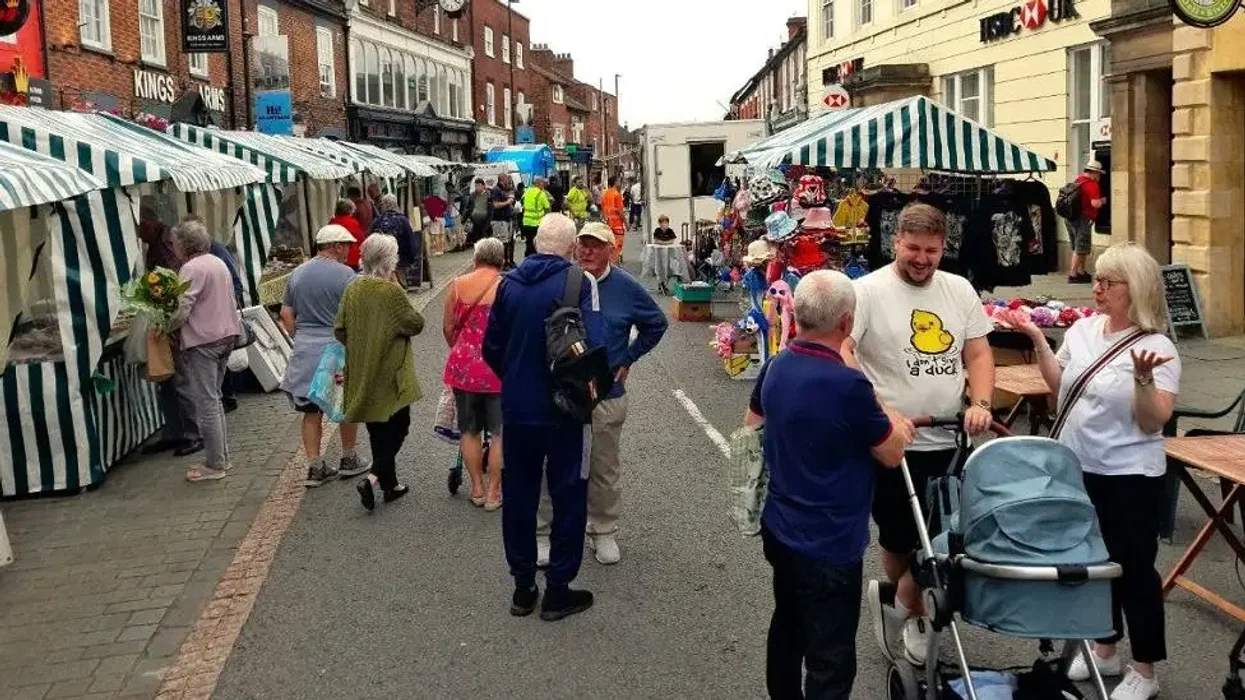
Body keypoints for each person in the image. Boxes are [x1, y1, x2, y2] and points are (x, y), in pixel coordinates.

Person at [1003, 242, 1178, 700]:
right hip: (1078, 464)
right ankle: (1104, 647)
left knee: (1135, 568)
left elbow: (1152, 420)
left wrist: (1142, 380)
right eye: (1097, 279)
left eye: (1107, 282)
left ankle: (1145, 668)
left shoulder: (1157, 347)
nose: (1096, 289)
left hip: (1131, 474)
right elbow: (1059, 386)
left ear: (1134, 288)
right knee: (1091, 563)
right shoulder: (1083, 331)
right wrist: (1038, 340)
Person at [745, 269, 915, 700]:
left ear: (796, 315)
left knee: (788, 624)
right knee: (832, 651)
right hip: (831, 537)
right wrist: (895, 420)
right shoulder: (848, 384)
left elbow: (751, 429)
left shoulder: (777, 366)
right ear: (844, 323)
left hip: (781, 524)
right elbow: (890, 452)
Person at [842, 202, 995, 667]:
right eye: (913, 248)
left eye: (931, 250)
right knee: (898, 537)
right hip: (892, 442)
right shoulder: (865, 292)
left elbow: (978, 354)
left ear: (944, 247)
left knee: (947, 536)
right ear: (895, 243)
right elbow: (845, 350)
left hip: (949, 438)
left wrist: (981, 404)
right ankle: (909, 603)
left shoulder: (959, 290)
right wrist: (880, 409)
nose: (922, 258)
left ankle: (908, 605)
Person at [482, 214, 605, 622]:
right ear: (571, 248)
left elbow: (491, 348)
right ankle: (558, 589)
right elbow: (594, 344)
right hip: (566, 411)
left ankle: (522, 586)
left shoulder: (508, 285)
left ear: (535, 243)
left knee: (519, 496)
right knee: (569, 495)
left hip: (518, 409)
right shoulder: (579, 283)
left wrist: (517, 379)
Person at [535, 223, 667, 566]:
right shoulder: (566, 281)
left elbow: (656, 323)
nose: (588, 251)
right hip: (562, 392)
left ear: (612, 250)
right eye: (583, 245)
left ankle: (603, 531)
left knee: (604, 466)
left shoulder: (625, 287)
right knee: (551, 463)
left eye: (596, 246)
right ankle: (542, 533)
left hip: (607, 392)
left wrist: (629, 357)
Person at [335, 235, 424, 511]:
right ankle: (374, 478)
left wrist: (361, 344)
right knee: (400, 426)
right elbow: (415, 323)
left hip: (362, 368)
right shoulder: (391, 292)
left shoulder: (353, 288)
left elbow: (339, 328)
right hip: (390, 371)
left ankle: (390, 484)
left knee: (377, 429)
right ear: (390, 261)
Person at [279, 224, 370, 488]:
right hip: (336, 347)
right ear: (337, 246)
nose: (349, 251)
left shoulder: (297, 274)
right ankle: (348, 457)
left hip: (305, 349)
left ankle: (316, 466)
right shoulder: (347, 276)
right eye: (348, 246)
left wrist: (301, 337)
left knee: (311, 410)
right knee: (344, 405)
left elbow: (286, 315)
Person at [169, 219, 241, 482]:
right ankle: (221, 457)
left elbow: (182, 310)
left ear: (184, 244)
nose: (174, 247)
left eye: (175, 242)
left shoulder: (191, 268)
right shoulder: (216, 262)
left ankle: (215, 464)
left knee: (208, 402)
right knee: (216, 399)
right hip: (226, 336)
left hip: (204, 341)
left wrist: (166, 326)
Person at [443, 238, 506, 510]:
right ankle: (494, 493)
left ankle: (477, 489)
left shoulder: (458, 286)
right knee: (500, 432)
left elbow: (448, 328)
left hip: (465, 367)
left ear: (476, 258)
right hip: (499, 368)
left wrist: (462, 350)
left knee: (469, 430)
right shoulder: (507, 286)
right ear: (501, 260)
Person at [137, 206, 196, 457]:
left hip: (172, 327)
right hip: (165, 324)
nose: (139, 235)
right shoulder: (158, 243)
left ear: (149, 224)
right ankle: (174, 432)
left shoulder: (165, 244)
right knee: (167, 383)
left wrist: (166, 321)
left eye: (140, 229)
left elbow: (172, 286)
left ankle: (193, 434)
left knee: (181, 383)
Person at [1065, 160, 1107, 284]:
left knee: (1079, 247)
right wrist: (1104, 200)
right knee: (1080, 247)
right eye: (1099, 174)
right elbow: (1095, 203)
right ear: (1094, 173)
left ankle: (1081, 272)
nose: (1099, 177)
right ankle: (1073, 274)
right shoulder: (1092, 185)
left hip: (1071, 218)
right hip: (1083, 219)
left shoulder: (1078, 181)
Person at [370, 193, 417, 284]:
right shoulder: (403, 220)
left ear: (383, 205)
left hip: (382, 259)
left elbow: (371, 240)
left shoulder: (377, 221)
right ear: (396, 204)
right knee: (399, 283)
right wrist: (411, 258)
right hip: (399, 258)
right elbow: (410, 241)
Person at [329, 199, 367, 270]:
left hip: (334, 258)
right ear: (349, 210)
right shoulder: (353, 223)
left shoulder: (331, 222)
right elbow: (361, 240)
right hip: (351, 260)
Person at [490, 174, 518, 269]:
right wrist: (508, 202)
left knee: (510, 242)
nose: (509, 181)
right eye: (507, 179)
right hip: (499, 220)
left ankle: (509, 261)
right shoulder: (496, 190)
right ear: (503, 179)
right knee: (502, 242)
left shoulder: (505, 190)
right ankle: (502, 262)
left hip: (508, 219)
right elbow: (496, 205)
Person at [520, 177, 551, 259]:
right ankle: (535, 260)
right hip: (537, 223)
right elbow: (547, 208)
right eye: (542, 184)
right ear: (537, 184)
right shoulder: (541, 193)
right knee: (536, 244)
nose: (543, 186)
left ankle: (527, 259)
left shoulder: (527, 191)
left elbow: (522, 201)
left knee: (529, 243)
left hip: (526, 222)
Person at [602, 176, 626, 261]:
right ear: (615, 182)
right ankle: (614, 264)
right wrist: (627, 223)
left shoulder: (605, 194)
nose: (620, 183)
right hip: (617, 224)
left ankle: (613, 262)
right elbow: (620, 211)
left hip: (608, 224)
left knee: (610, 244)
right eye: (619, 181)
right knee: (617, 245)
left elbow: (603, 209)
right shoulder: (617, 194)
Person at [468, 178, 492, 245]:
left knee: (485, 241)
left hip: (485, 222)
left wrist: (488, 221)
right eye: (476, 186)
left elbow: (491, 209)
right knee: (476, 241)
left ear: (483, 186)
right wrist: (466, 218)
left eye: (479, 185)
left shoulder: (488, 195)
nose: (477, 187)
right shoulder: (472, 195)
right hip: (475, 222)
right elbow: (469, 208)